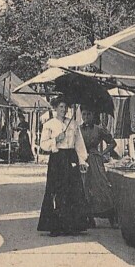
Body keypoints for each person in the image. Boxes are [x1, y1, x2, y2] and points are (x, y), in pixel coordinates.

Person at [37, 97, 89, 236]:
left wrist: (82, 160)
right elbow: (43, 144)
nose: (63, 110)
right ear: (55, 108)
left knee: (72, 189)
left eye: (65, 107)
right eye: (61, 107)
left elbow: (79, 143)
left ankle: (71, 225)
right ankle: (55, 226)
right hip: (57, 158)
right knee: (57, 190)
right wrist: (55, 140)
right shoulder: (50, 124)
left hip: (71, 156)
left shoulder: (73, 124)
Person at [79, 107, 117, 227]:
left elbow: (112, 142)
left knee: (102, 186)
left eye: (88, 114)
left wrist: (103, 153)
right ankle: (89, 218)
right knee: (85, 187)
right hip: (82, 160)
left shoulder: (99, 129)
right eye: (83, 114)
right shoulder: (78, 130)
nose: (85, 117)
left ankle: (112, 217)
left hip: (95, 160)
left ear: (93, 115)